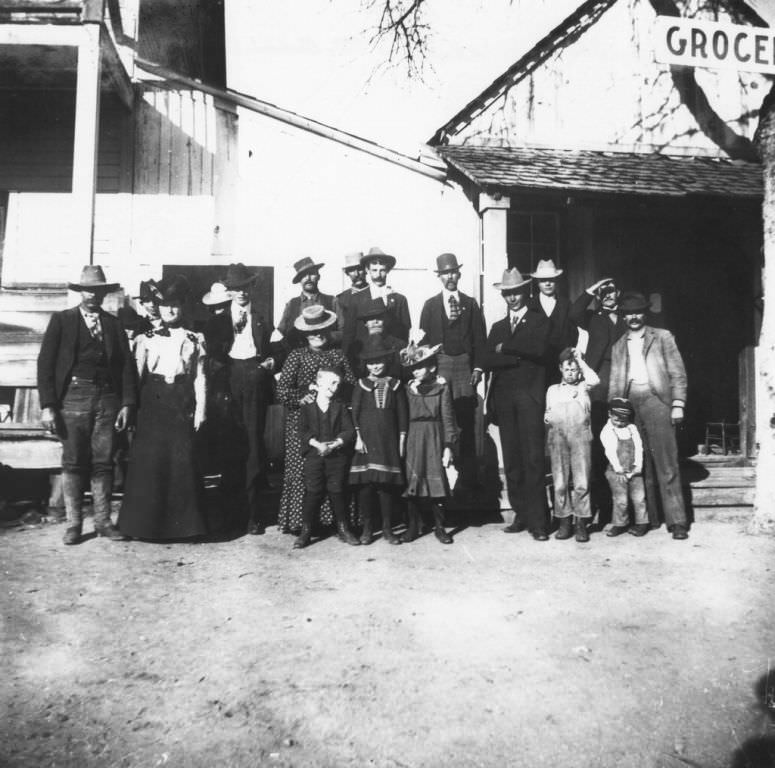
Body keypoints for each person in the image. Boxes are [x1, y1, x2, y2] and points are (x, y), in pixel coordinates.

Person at [37, 265, 136, 545]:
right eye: (87, 290)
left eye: (97, 290)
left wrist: (127, 403)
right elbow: (45, 365)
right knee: (73, 461)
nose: (92, 295)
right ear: (80, 292)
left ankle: (104, 522)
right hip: (73, 398)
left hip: (107, 399)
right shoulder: (62, 321)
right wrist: (48, 405)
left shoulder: (114, 324)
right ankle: (74, 524)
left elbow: (127, 367)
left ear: (104, 293)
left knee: (104, 462)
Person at [118, 276, 208, 541]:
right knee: (151, 463)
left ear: (183, 308)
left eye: (176, 305)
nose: (171, 310)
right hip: (152, 401)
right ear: (159, 306)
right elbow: (136, 376)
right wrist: (132, 408)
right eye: (166, 305)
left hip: (180, 400)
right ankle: (143, 527)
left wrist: (201, 409)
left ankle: (186, 528)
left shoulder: (194, 338)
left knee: (182, 462)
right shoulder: (146, 338)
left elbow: (200, 376)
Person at [609, 292, 689, 540]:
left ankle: (677, 521)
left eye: (638, 312)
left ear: (645, 313)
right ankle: (647, 518)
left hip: (657, 400)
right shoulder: (619, 345)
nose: (633, 317)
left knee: (666, 462)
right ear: (623, 316)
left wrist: (678, 404)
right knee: (638, 463)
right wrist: (614, 412)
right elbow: (614, 381)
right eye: (628, 313)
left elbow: (678, 373)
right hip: (630, 403)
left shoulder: (662, 337)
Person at [204, 263, 276, 535]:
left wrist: (268, 363)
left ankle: (254, 515)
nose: (241, 293)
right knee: (230, 446)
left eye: (245, 287)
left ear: (251, 288)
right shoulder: (217, 322)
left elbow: (275, 350)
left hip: (254, 380)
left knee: (254, 447)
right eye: (236, 289)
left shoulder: (260, 318)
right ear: (230, 292)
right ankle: (231, 515)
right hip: (228, 384)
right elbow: (211, 359)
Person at [483, 268, 550, 540]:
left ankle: (539, 522)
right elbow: (487, 360)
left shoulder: (539, 321)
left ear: (526, 292)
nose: (512, 298)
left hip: (530, 399)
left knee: (533, 459)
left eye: (516, 293)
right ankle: (521, 513)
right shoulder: (498, 327)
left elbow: (539, 350)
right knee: (511, 460)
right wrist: (517, 354)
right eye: (507, 294)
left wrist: (506, 349)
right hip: (505, 401)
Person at [276, 305, 356, 534]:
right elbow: (282, 391)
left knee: (334, 468)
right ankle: (304, 524)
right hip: (303, 422)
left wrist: (333, 392)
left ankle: (337, 522)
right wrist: (302, 396)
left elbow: (350, 385)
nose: (318, 335)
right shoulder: (297, 356)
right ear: (305, 333)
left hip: (332, 420)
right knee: (303, 470)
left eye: (322, 330)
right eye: (312, 331)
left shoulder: (338, 355)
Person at [418, 252, 486, 492]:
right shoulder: (430, 305)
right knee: (444, 419)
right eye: (445, 273)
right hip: (441, 364)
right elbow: (424, 344)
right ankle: (443, 482)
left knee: (467, 422)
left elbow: (480, 338)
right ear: (439, 276)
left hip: (465, 365)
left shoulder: (470, 303)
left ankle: (469, 483)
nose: (450, 277)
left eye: (453, 272)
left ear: (459, 273)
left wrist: (478, 367)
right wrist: (429, 372)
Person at [569, 277, 627, 522]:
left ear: (619, 293)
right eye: (603, 292)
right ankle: (598, 507)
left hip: (624, 378)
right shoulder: (593, 317)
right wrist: (590, 291)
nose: (608, 296)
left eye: (612, 291)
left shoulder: (627, 317)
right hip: (599, 380)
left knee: (622, 436)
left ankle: (624, 509)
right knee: (598, 441)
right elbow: (574, 313)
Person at [349, 336, 408, 545]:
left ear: (387, 362)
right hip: (366, 440)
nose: (375, 366)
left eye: (379, 362)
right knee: (367, 485)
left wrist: (401, 440)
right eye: (371, 363)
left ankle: (387, 528)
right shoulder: (361, 384)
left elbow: (402, 414)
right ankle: (367, 528)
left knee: (386, 485)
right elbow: (354, 413)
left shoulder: (396, 385)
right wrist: (358, 437)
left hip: (388, 440)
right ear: (366, 364)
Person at [293, 367, 359, 549]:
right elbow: (302, 430)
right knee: (313, 492)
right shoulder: (307, 408)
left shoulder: (340, 407)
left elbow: (349, 431)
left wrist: (335, 444)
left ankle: (343, 529)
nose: (335, 387)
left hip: (336, 457)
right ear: (319, 383)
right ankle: (306, 532)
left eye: (338, 383)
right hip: (314, 455)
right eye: (332, 382)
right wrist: (316, 444)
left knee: (337, 491)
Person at [400, 342, 457, 545]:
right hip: (414, 438)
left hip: (434, 437)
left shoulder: (442, 388)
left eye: (420, 367)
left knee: (437, 483)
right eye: (413, 368)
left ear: (432, 368)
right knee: (413, 482)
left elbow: (448, 418)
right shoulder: (408, 389)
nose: (416, 372)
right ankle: (414, 526)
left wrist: (448, 446)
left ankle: (440, 527)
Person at [544, 347, 599, 542]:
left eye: (574, 369)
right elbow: (548, 414)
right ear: (560, 369)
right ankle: (564, 520)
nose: (570, 373)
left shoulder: (584, 386)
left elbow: (595, 379)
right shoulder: (553, 390)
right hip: (558, 437)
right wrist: (549, 418)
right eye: (567, 369)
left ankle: (581, 522)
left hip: (580, 437)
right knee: (559, 481)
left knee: (581, 481)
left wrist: (580, 361)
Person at [344, 247, 411, 355]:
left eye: (382, 270)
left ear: (388, 270)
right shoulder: (356, 299)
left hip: (391, 356)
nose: (378, 275)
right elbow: (349, 335)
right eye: (374, 270)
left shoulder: (399, 300)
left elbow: (404, 334)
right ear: (367, 270)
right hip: (364, 359)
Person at [600, 398, 648, 537]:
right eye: (617, 420)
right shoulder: (607, 431)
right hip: (617, 471)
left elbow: (639, 447)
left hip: (634, 469)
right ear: (610, 414)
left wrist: (638, 465)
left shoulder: (632, 428)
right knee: (621, 499)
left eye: (623, 420)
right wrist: (618, 469)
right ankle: (620, 524)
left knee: (639, 498)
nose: (620, 423)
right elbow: (610, 452)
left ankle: (642, 523)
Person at [528, 259, 578, 386]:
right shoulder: (530, 306)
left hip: (560, 367)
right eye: (543, 280)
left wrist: (567, 358)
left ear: (556, 281)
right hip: (535, 367)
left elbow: (573, 334)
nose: (548, 283)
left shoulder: (566, 304)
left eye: (551, 279)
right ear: (537, 282)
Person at [277, 257, 343, 350]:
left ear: (318, 276)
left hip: (327, 356)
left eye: (312, 273)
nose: (308, 278)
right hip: (299, 357)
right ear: (299, 280)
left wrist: (327, 337)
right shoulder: (292, 304)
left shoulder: (332, 301)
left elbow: (344, 332)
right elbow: (281, 333)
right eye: (303, 275)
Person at [347, 299, 404, 378]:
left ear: (385, 320)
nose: (375, 322)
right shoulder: (356, 346)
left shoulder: (399, 344)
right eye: (370, 318)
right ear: (365, 323)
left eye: (379, 318)